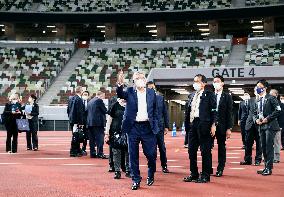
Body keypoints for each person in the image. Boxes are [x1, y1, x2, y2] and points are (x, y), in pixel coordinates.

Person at [116, 71, 159, 190]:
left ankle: (151, 174)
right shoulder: (129, 91)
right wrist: (120, 83)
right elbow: (120, 94)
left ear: (145, 80)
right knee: (133, 154)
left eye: (141, 78)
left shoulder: (151, 92)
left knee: (150, 154)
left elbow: (155, 110)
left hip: (147, 127)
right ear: (134, 81)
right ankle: (136, 179)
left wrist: (156, 125)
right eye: (137, 78)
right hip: (133, 127)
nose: (139, 80)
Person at [183, 74, 217, 184]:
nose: (195, 83)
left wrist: (213, 125)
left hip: (204, 125)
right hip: (193, 125)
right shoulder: (191, 95)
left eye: (197, 81)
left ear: (203, 83)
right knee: (191, 150)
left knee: (205, 151)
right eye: (194, 81)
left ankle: (205, 175)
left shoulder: (209, 94)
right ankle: (194, 174)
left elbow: (214, 111)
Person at [253, 79, 281, 176]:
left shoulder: (271, 98)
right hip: (261, 126)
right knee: (263, 147)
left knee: (269, 146)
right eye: (257, 87)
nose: (258, 88)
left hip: (270, 125)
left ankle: (269, 168)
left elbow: (278, 110)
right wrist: (256, 119)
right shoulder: (257, 99)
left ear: (265, 88)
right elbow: (255, 113)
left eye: (260, 86)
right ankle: (266, 166)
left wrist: (267, 118)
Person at [147, 81, 170, 173]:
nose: (151, 89)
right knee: (151, 148)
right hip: (149, 127)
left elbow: (165, 113)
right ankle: (152, 167)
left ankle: (164, 166)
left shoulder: (161, 98)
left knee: (162, 147)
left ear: (155, 88)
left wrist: (167, 126)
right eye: (149, 88)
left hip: (160, 127)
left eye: (152, 87)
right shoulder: (144, 99)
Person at [212, 75, 233, 177]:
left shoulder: (227, 96)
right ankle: (208, 168)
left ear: (222, 83)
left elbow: (229, 113)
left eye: (217, 81)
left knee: (221, 148)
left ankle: (220, 169)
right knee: (207, 148)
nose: (215, 83)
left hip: (222, 126)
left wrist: (229, 128)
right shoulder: (210, 95)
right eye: (214, 81)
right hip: (210, 126)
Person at [105, 98, 130, 179]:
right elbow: (109, 120)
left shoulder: (131, 105)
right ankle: (117, 171)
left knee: (128, 152)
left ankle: (128, 170)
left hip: (128, 132)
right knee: (116, 152)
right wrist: (107, 133)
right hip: (115, 132)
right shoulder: (114, 105)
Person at [240, 87, 262, 166]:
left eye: (259, 89)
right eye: (255, 90)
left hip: (260, 124)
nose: (257, 91)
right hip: (249, 124)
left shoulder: (265, 99)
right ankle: (247, 160)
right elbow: (247, 113)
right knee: (248, 143)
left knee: (259, 143)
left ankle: (258, 160)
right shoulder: (250, 100)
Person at [87, 91, 108, 159]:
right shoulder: (99, 100)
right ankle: (100, 153)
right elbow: (105, 110)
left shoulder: (90, 101)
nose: (103, 98)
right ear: (100, 95)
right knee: (100, 139)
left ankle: (92, 153)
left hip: (90, 123)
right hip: (98, 123)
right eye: (103, 96)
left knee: (92, 139)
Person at [67, 86, 85, 157]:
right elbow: (79, 112)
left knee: (75, 135)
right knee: (76, 136)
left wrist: (70, 118)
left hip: (72, 120)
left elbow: (68, 110)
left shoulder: (71, 98)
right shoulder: (79, 99)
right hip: (76, 121)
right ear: (80, 91)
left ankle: (77, 150)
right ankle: (73, 151)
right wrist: (80, 123)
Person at [270, 89, 281, 163]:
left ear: (276, 95)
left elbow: (281, 116)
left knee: (276, 142)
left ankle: (276, 158)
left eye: (272, 94)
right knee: (267, 142)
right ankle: (267, 157)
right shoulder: (266, 103)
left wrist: (281, 126)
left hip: (277, 126)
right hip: (267, 125)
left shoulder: (281, 104)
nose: (270, 96)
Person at [81, 90, 90, 156]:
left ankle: (84, 148)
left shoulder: (90, 102)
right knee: (79, 136)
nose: (85, 95)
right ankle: (79, 149)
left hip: (88, 122)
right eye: (84, 94)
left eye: (86, 94)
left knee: (87, 136)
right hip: (81, 122)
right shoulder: (79, 101)